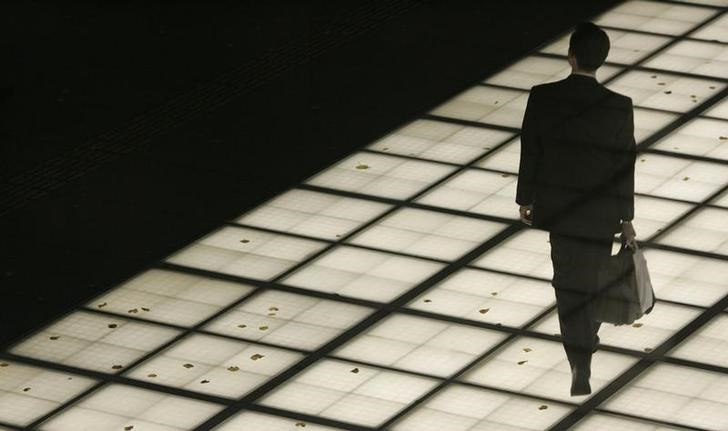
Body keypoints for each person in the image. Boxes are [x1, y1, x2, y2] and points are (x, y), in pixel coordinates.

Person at [514, 22, 637, 396]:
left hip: (561, 210)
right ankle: (586, 346)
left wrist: (526, 198)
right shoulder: (618, 106)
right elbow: (624, 165)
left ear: (571, 56)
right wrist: (627, 219)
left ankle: (577, 358)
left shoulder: (542, 97)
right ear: (602, 60)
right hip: (601, 216)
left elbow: (531, 149)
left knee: (566, 283)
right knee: (592, 283)